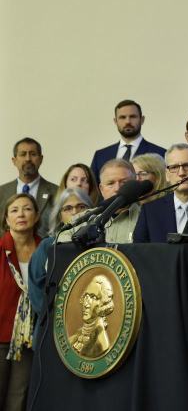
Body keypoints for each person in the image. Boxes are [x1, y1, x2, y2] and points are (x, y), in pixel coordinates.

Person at [28, 187, 91, 343]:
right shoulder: (48, 246)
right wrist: (63, 316)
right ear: (60, 216)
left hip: (88, 329)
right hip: (51, 328)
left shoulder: (100, 243)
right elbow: (37, 292)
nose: (75, 212)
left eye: (81, 206)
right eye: (68, 208)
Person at [0, 193, 41, 408]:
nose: (21, 214)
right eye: (14, 210)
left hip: (29, 337)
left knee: (19, 396)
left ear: (37, 216)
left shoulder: (46, 249)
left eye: (27, 209)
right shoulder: (0, 248)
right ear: (7, 219)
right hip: (1, 333)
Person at [133, 144, 188, 243]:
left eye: (187, 166)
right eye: (174, 167)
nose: (181, 173)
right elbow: (139, 249)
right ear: (167, 175)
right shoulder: (150, 211)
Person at [89, 99, 165, 181]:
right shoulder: (100, 156)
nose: (127, 121)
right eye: (122, 117)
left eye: (133, 117)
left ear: (142, 119)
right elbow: (93, 187)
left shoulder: (160, 153)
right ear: (115, 121)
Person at [1, 139, 58, 232]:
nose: (28, 159)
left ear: (41, 159)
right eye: (23, 154)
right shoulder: (1, 192)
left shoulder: (57, 192)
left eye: (33, 154)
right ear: (14, 161)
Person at [96, 159, 140, 244]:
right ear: (101, 189)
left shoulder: (146, 219)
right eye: (110, 183)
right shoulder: (86, 219)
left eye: (124, 183)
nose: (117, 188)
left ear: (134, 186)